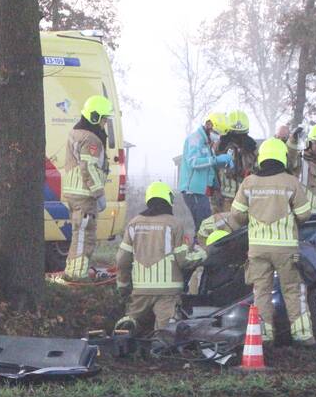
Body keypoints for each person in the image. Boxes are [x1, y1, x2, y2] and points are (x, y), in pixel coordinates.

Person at [224, 138, 315, 348]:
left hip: (257, 249)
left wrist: (253, 218)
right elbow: (304, 214)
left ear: (261, 157)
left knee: (261, 292)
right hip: (286, 249)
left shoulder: (249, 182)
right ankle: (303, 335)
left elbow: (236, 214)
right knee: (292, 290)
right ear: (282, 157)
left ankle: (264, 336)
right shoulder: (290, 182)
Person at [115, 181, 207, 334]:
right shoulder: (174, 224)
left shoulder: (134, 224)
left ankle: (128, 332)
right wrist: (203, 253)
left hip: (140, 291)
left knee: (130, 330)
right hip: (168, 293)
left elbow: (122, 260)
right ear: (168, 199)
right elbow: (184, 260)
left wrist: (123, 286)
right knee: (165, 334)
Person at [61, 95, 112, 281]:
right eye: (104, 119)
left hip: (74, 192)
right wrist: (99, 194)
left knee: (78, 234)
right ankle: (78, 276)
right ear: (95, 117)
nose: (105, 124)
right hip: (85, 194)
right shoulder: (91, 139)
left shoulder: (76, 133)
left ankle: (72, 271)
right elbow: (88, 168)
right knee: (85, 236)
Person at [179, 112, 233, 233]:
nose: (218, 137)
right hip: (192, 190)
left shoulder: (206, 142)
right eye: (217, 133)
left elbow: (208, 164)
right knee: (204, 227)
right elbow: (193, 162)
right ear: (209, 125)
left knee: (205, 226)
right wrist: (216, 159)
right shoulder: (195, 139)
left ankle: (199, 243)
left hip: (201, 191)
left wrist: (224, 162)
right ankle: (199, 244)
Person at [213, 109, 258, 213]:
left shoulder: (252, 148)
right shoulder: (220, 146)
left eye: (241, 135)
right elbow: (213, 172)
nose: (238, 138)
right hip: (225, 198)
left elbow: (257, 170)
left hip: (246, 198)